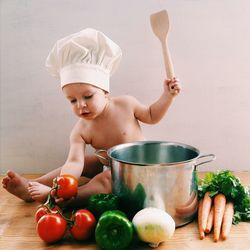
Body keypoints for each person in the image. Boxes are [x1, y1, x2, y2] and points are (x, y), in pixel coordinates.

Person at [2, 28, 181, 207]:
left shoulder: (126, 104)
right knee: (88, 162)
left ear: (105, 92)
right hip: (109, 164)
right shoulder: (81, 130)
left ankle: (67, 198)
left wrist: (167, 96)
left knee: (107, 178)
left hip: (138, 170)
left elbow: (152, 115)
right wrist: (65, 183)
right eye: (72, 100)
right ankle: (35, 185)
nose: (81, 105)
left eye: (88, 96)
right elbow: (74, 162)